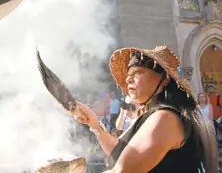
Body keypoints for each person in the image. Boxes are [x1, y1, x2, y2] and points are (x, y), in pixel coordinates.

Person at [74, 46, 216, 172]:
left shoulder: (165, 118)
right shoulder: (155, 115)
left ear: (165, 78)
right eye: (129, 76)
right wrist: (94, 124)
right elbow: (119, 152)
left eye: (139, 72)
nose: (129, 79)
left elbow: (123, 170)